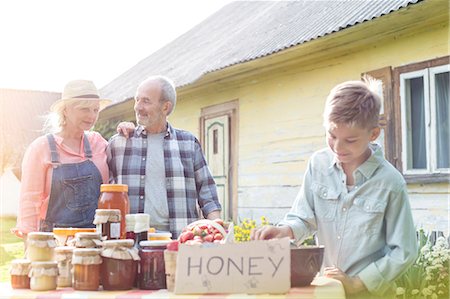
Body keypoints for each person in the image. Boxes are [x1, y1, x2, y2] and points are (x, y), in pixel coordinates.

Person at [251, 78, 418, 298]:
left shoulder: (390, 183)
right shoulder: (318, 164)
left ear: (373, 134)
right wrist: (285, 231)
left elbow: (404, 251)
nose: (338, 147)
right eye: (331, 135)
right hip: (326, 290)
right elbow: (304, 218)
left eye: (350, 140)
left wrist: (356, 283)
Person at [107, 75, 221, 238]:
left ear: (165, 107)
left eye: (146, 101)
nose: (138, 107)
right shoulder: (118, 144)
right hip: (132, 242)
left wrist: (216, 226)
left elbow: (207, 190)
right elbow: (105, 195)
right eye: (137, 100)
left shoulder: (188, 143)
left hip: (180, 239)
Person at [13, 80, 112, 238]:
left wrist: (126, 131)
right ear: (66, 110)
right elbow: (29, 202)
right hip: (55, 241)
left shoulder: (98, 142)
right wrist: (31, 244)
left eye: (95, 109)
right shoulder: (41, 148)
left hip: (94, 240)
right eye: (84, 109)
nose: (92, 116)